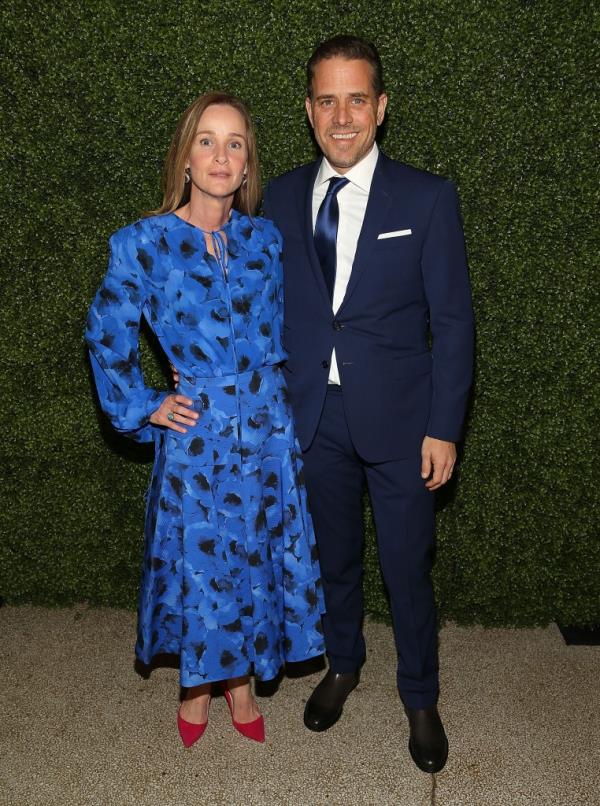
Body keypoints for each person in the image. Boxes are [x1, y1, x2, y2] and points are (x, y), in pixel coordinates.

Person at [85, 92, 325, 747]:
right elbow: (106, 333)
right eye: (207, 141)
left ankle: (240, 682)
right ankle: (196, 686)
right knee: (202, 563)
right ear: (186, 158)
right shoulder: (144, 243)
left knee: (254, 555)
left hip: (268, 434)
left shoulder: (264, 241)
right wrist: (145, 405)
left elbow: (286, 330)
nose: (221, 155)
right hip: (199, 437)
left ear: (248, 166)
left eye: (236, 143)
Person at [263, 36, 474, 773]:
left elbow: (452, 323)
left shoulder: (426, 197)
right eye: (327, 99)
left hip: (402, 424)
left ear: (381, 109)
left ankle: (420, 696)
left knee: (408, 567)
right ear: (309, 110)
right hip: (312, 420)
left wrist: (444, 427)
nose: (342, 115)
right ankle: (343, 664)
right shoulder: (281, 196)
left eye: (357, 98)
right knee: (335, 559)